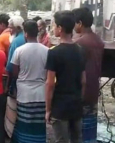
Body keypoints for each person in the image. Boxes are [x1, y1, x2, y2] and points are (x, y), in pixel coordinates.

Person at [45, 11, 86, 143]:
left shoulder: (54, 53)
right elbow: (83, 81)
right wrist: (80, 100)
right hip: (76, 105)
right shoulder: (80, 50)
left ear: (60, 28)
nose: (53, 29)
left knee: (61, 140)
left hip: (60, 107)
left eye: (54, 26)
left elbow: (50, 84)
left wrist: (48, 109)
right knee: (77, 139)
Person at [10, 20, 48, 143]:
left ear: (25, 33)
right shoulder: (46, 51)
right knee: (38, 126)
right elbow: (48, 73)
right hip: (41, 94)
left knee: (24, 125)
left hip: (24, 94)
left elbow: (14, 72)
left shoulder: (19, 51)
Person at [73, 7, 104, 143]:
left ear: (79, 23)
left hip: (82, 90)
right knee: (90, 130)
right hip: (93, 89)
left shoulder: (80, 43)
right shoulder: (98, 40)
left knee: (79, 131)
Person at [4, 15, 25, 138]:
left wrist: (8, 86)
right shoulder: (27, 39)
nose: (9, 31)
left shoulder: (16, 42)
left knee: (14, 113)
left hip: (17, 83)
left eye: (10, 28)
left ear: (17, 28)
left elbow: (10, 67)